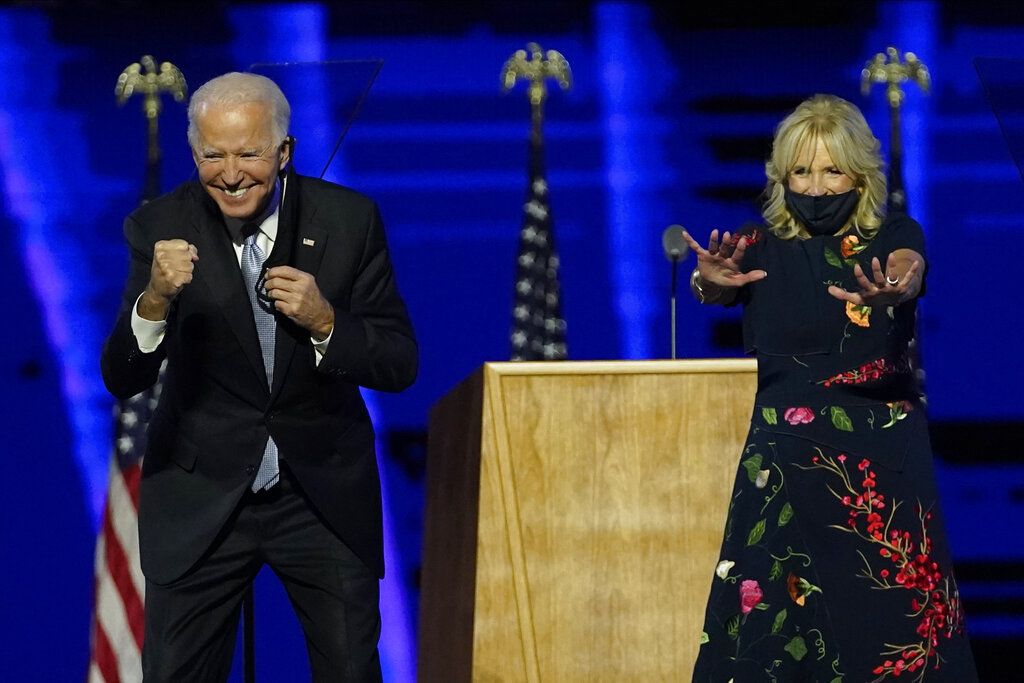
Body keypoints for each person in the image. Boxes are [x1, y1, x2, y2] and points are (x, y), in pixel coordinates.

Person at [101, 71, 417, 681]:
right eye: (213, 156)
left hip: (319, 491)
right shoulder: (158, 227)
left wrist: (326, 321)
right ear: (195, 154)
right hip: (201, 492)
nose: (231, 174)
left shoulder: (348, 220)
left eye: (249, 154)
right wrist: (155, 299)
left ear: (284, 152)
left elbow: (399, 361)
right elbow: (122, 376)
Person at [684, 94, 977, 681]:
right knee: (776, 632)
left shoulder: (892, 233)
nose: (816, 188)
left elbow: (908, 265)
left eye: (832, 170)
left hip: (877, 469)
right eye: (801, 171)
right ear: (782, 176)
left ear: (859, 175)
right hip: (784, 464)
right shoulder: (756, 248)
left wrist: (897, 284)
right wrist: (706, 283)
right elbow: (717, 287)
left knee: (888, 628)